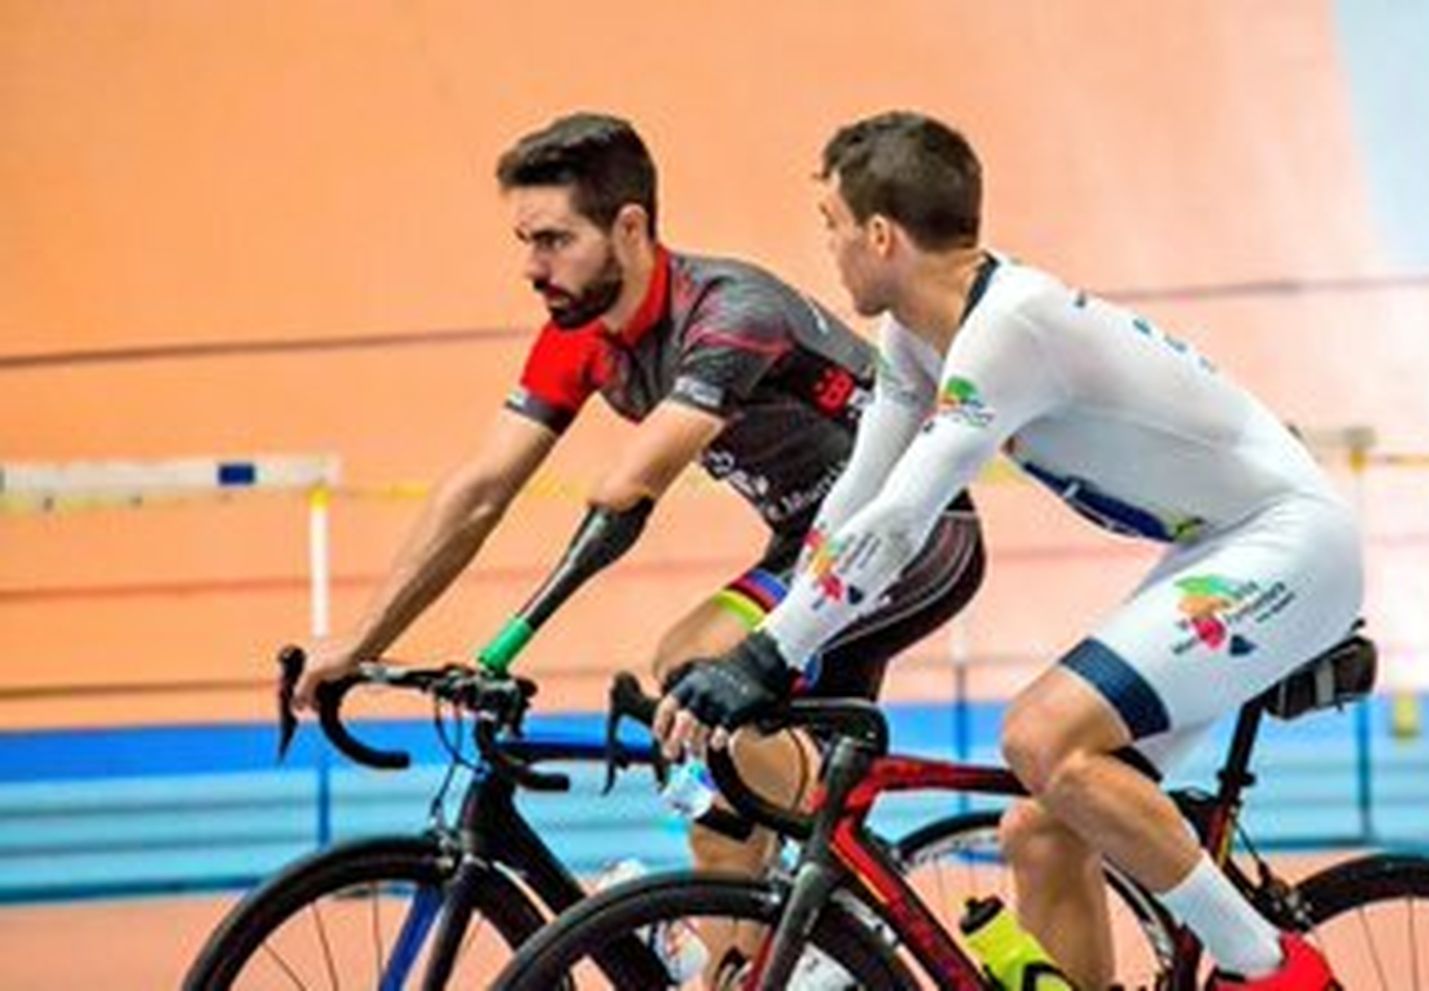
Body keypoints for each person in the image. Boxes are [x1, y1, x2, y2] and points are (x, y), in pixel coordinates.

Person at [656, 111, 1360, 991]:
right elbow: (854, 504)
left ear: (881, 235)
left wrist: (768, 652)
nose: (828, 249)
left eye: (831, 226)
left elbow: (906, 518)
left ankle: (1272, 970)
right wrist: (777, 646)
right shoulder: (917, 333)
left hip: (1287, 546)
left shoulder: (1009, 330)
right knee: (1044, 828)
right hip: (1223, 544)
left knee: (1041, 737)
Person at [291, 112, 985, 900]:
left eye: (552, 240)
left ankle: (861, 908)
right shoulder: (580, 335)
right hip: (810, 542)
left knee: (689, 660)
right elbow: (481, 489)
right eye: (524, 242)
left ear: (629, 227)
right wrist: (361, 640)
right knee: (720, 822)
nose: (531, 266)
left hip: (916, 537)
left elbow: (627, 491)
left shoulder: (730, 312)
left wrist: (503, 646)